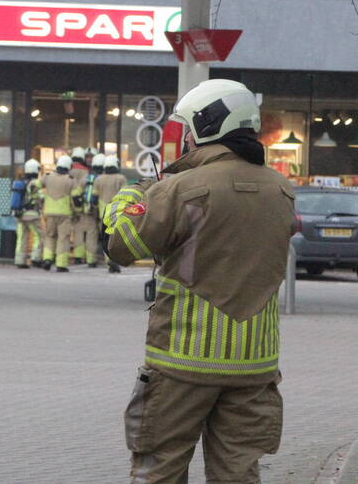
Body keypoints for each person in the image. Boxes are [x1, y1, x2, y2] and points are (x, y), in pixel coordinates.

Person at [103, 79, 296, 483]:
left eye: (188, 128)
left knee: (161, 466)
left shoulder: (180, 188)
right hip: (254, 364)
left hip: (183, 360)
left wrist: (124, 205)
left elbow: (122, 246)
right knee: (238, 472)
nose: (186, 138)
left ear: (207, 126)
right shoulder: (281, 190)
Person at [40, 154, 80, 272]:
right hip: (64, 214)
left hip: (49, 212)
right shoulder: (71, 180)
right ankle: (61, 264)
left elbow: (34, 186)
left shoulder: (47, 176)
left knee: (49, 236)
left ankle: (47, 259)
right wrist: (77, 212)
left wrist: (40, 198)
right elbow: (76, 199)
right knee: (63, 238)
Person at [93, 154, 127, 273]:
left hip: (103, 214)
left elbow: (93, 198)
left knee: (106, 239)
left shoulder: (98, 179)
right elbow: (125, 195)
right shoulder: (121, 178)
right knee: (117, 238)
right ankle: (115, 260)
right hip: (117, 212)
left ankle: (109, 261)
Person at [12, 159, 43, 268]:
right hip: (32, 215)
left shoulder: (20, 182)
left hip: (20, 215)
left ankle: (20, 261)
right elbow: (40, 197)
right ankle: (36, 258)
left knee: (21, 238)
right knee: (39, 236)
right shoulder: (34, 183)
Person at [68, 146, 90, 264]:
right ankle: (79, 256)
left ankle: (60, 256)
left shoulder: (68, 170)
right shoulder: (86, 171)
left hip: (66, 204)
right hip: (80, 203)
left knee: (65, 232)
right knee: (79, 231)